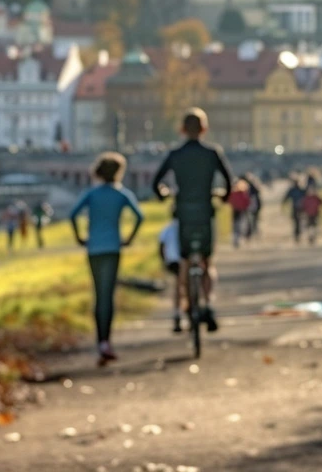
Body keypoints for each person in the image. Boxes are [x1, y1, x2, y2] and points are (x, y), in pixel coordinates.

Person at [151, 108, 232, 332]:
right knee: (207, 262)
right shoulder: (212, 153)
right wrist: (223, 196)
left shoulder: (175, 154)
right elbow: (228, 181)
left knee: (186, 261)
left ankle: (185, 307)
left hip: (183, 213)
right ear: (204, 129)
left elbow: (156, 182)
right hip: (206, 211)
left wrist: (163, 194)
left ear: (182, 130)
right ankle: (208, 303)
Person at [70, 152, 144, 365]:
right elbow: (139, 216)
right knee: (108, 294)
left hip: (93, 248)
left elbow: (73, 214)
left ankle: (100, 340)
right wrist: (129, 238)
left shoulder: (91, 194)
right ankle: (107, 342)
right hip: (113, 247)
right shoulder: (122, 194)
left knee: (98, 293)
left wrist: (79, 237)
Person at [158, 219, 183, 332]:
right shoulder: (191, 225)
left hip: (172, 261)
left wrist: (164, 261)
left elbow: (161, 246)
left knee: (178, 285)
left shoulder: (167, 228)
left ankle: (177, 312)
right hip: (180, 260)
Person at [283, 175, 307, 244]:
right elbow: (286, 198)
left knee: (298, 222)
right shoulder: (300, 190)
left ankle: (297, 234)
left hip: (300, 208)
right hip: (298, 209)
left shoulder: (300, 190)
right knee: (297, 222)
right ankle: (297, 235)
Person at [228, 179, 252, 249]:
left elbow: (230, 201)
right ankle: (238, 239)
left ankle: (237, 239)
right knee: (240, 225)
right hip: (241, 211)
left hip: (236, 210)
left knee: (236, 225)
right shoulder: (242, 193)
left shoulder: (233, 193)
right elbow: (247, 202)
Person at [243, 174, 263, 240]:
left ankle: (252, 235)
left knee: (252, 222)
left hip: (252, 207)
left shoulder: (249, 187)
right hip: (251, 207)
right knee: (251, 222)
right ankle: (251, 235)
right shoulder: (247, 187)